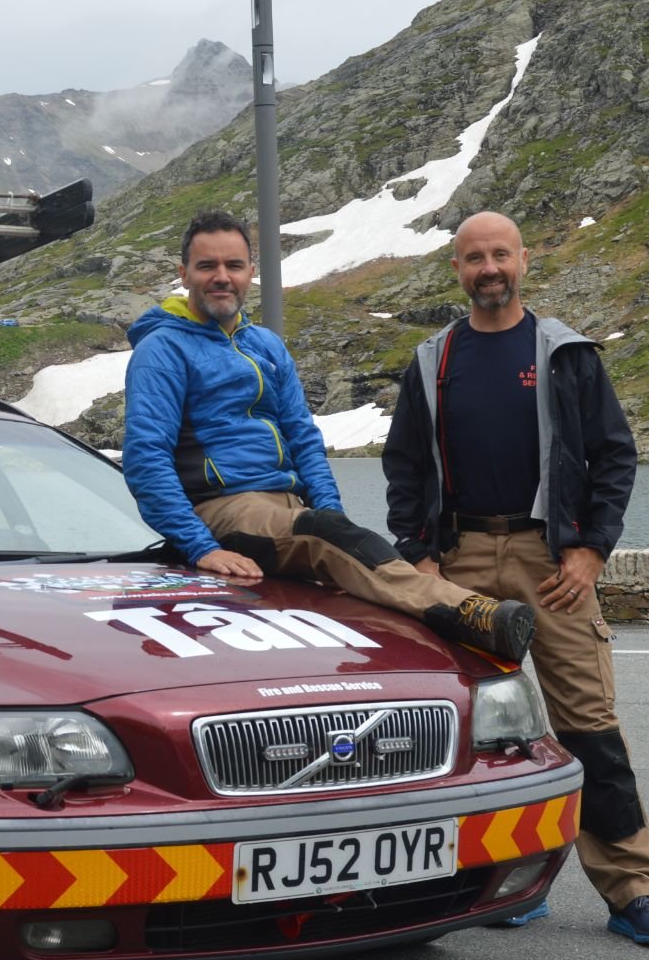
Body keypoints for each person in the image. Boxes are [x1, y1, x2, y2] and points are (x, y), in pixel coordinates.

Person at [382, 210, 649, 946]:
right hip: (458, 566)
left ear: (524, 260)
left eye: (500, 255)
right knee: (476, 734)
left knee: (589, 727)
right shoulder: (432, 361)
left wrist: (591, 552)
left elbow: (615, 457)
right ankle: (508, 883)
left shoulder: (566, 354)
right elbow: (405, 469)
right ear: (456, 269)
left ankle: (633, 890)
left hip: (550, 561)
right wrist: (419, 556)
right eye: (473, 257)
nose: (489, 268)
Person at [121, 210, 536, 663]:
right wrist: (201, 547)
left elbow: (302, 437)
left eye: (234, 266)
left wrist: (334, 518)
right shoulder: (162, 348)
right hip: (223, 507)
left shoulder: (264, 345)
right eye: (207, 267)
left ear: (250, 273)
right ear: (184, 274)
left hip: (287, 508)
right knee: (327, 538)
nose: (222, 277)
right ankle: (470, 613)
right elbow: (146, 457)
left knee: (338, 544)